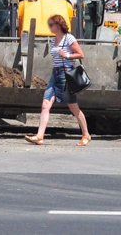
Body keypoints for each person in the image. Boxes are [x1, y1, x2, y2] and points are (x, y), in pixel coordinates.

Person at [25, 14, 91, 146]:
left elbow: (81, 54)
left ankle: (86, 134)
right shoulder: (53, 40)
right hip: (54, 75)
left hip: (65, 76)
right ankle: (39, 136)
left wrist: (66, 55)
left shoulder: (69, 38)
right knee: (45, 105)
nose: (49, 27)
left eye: (51, 25)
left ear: (59, 25)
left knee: (73, 107)